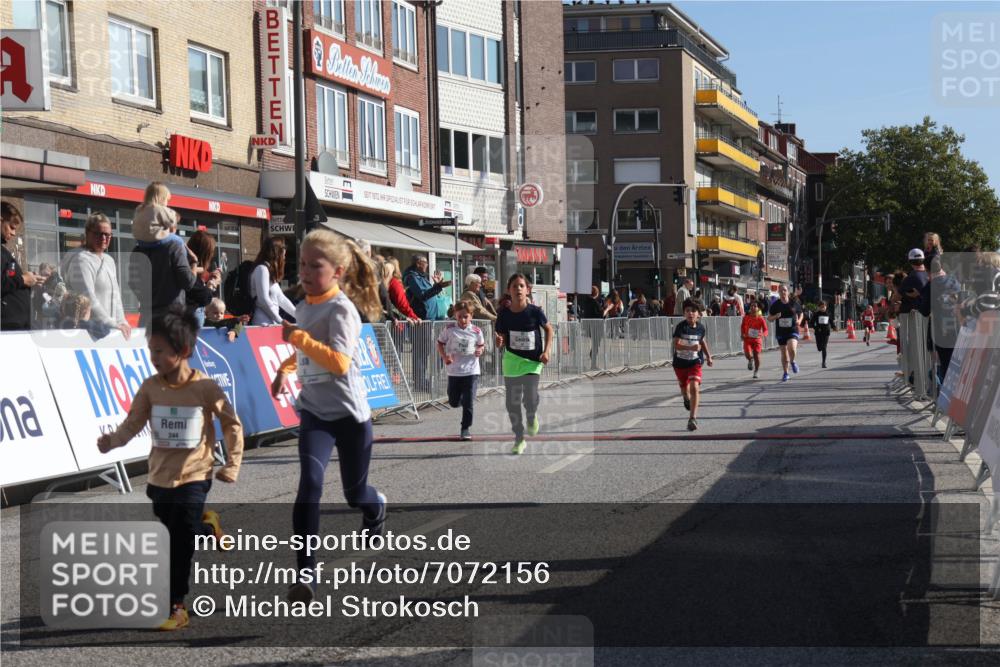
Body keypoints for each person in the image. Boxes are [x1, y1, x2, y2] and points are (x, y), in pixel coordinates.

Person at [97, 305, 243, 631]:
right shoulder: (150, 387)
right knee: (174, 533)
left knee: (178, 545)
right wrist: (112, 442)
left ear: (183, 351)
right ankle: (209, 525)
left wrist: (232, 464)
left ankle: (176, 606)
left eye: (160, 351)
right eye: (150, 350)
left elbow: (232, 425)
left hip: (195, 475)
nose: (153, 358)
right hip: (160, 478)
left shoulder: (205, 388)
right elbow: (133, 423)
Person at [269, 231, 385, 603]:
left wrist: (298, 341)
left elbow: (338, 362)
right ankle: (306, 573)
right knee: (310, 485)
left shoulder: (341, 310)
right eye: (301, 264)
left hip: (350, 416)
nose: (304, 272)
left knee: (355, 494)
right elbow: (305, 350)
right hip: (316, 412)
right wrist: (285, 369)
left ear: (337, 271)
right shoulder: (303, 305)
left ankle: (375, 506)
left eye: (314, 266)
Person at [495, 273, 553, 455]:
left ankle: (531, 414)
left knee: (530, 397)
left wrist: (547, 350)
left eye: (521, 286)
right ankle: (519, 439)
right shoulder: (503, 314)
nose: (518, 289)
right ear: (508, 291)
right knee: (512, 403)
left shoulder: (535, 311)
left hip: (532, 362)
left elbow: (549, 329)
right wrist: (499, 342)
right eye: (514, 286)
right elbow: (501, 338)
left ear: (528, 290)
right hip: (512, 361)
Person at [61, 213, 132, 338]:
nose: (104, 238)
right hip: (89, 333)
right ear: (88, 234)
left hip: (109, 331)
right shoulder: (81, 260)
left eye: (108, 234)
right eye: (99, 234)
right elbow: (88, 297)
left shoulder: (109, 260)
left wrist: (122, 322)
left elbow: (116, 296)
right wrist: (111, 323)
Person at [436, 300, 486, 440]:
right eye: (459, 317)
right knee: (453, 401)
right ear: (455, 316)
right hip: (454, 371)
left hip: (471, 371)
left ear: (471, 316)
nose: (463, 320)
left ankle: (465, 428)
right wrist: (445, 357)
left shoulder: (476, 331)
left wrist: (479, 351)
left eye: (466, 316)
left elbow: (481, 346)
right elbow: (440, 343)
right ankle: (460, 400)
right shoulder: (449, 329)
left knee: (469, 402)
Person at [672, 298, 713, 431]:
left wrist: (708, 356)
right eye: (687, 311)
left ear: (699, 314)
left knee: (695, 386)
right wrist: (690, 348)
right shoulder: (681, 327)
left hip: (695, 362)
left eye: (693, 311)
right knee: (685, 389)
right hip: (680, 363)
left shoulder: (701, 328)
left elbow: (702, 342)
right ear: (684, 313)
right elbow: (676, 345)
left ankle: (692, 418)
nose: (690, 313)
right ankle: (685, 398)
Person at [1, 202, 39, 330]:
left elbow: (9, 278)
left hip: (16, 325)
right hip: (8, 327)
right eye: (11, 227)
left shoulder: (3, 251)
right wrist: (23, 279)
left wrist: (31, 280)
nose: (13, 233)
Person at [251, 237, 296, 325]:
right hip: (262, 324)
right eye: (283, 254)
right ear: (276, 253)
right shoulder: (262, 269)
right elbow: (262, 300)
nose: (284, 258)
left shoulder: (269, 272)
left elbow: (281, 299)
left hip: (271, 323)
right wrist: (280, 320)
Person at [186, 230, 222, 327]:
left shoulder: (188, 267)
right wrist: (211, 285)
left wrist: (208, 281)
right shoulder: (188, 269)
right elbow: (203, 297)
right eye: (211, 252)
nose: (212, 255)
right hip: (188, 325)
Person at [768, 284, 803, 382]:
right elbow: (769, 318)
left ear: (788, 291)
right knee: (784, 354)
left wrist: (799, 321)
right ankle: (786, 373)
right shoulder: (776, 305)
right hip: (781, 331)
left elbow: (801, 313)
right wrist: (775, 316)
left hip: (792, 329)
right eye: (781, 291)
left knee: (792, 348)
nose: (783, 292)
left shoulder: (793, 303)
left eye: (785, 290)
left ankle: (793, 362)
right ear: (778, 292)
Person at [403, 255, 450, 321]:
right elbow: (422, 295)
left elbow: (428, 293)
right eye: (425, 262)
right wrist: (438, 286)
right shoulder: (412, 278)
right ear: (418, 263)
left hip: (430, 317)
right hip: (423, 318)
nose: (427, 265)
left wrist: (436, 285)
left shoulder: (420, 277)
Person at [741, 300, 768, 379]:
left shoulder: (761, 319)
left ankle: (756, 371)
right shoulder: (746, 317)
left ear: (758, 308)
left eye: (755, 306)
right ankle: (750, 360)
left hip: (757, 339)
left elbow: (766, 329)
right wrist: (742, 333)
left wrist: (763, 335)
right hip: (747, 339)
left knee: (756, 355)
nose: (753, 307)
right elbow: (742, 326)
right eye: (751, 306)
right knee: (747, 354)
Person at [813, 300, 833, 368]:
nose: (822, 308)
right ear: (818, 307)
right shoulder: (816, 314)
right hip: (818, 333)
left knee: (824, 347)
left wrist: (834, 327)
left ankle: (823, 362)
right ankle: (820, 348)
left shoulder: (828, 314)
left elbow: (831, 322)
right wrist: (816, 328)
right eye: (821, 307)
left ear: (826, 307)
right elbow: (811, 323)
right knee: (819, 348)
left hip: (826, 333)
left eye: (824, 307)